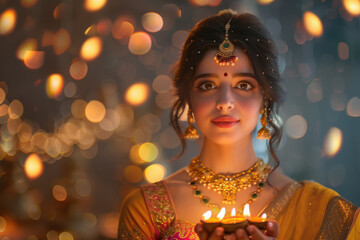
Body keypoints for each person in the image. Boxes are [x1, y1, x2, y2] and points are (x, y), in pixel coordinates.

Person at [118, 9, 359, 240]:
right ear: (188, 99)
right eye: (207, 85)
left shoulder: (319, 209)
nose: (225, 102)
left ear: (265, 98)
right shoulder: (145, 210)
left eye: (243, 85)